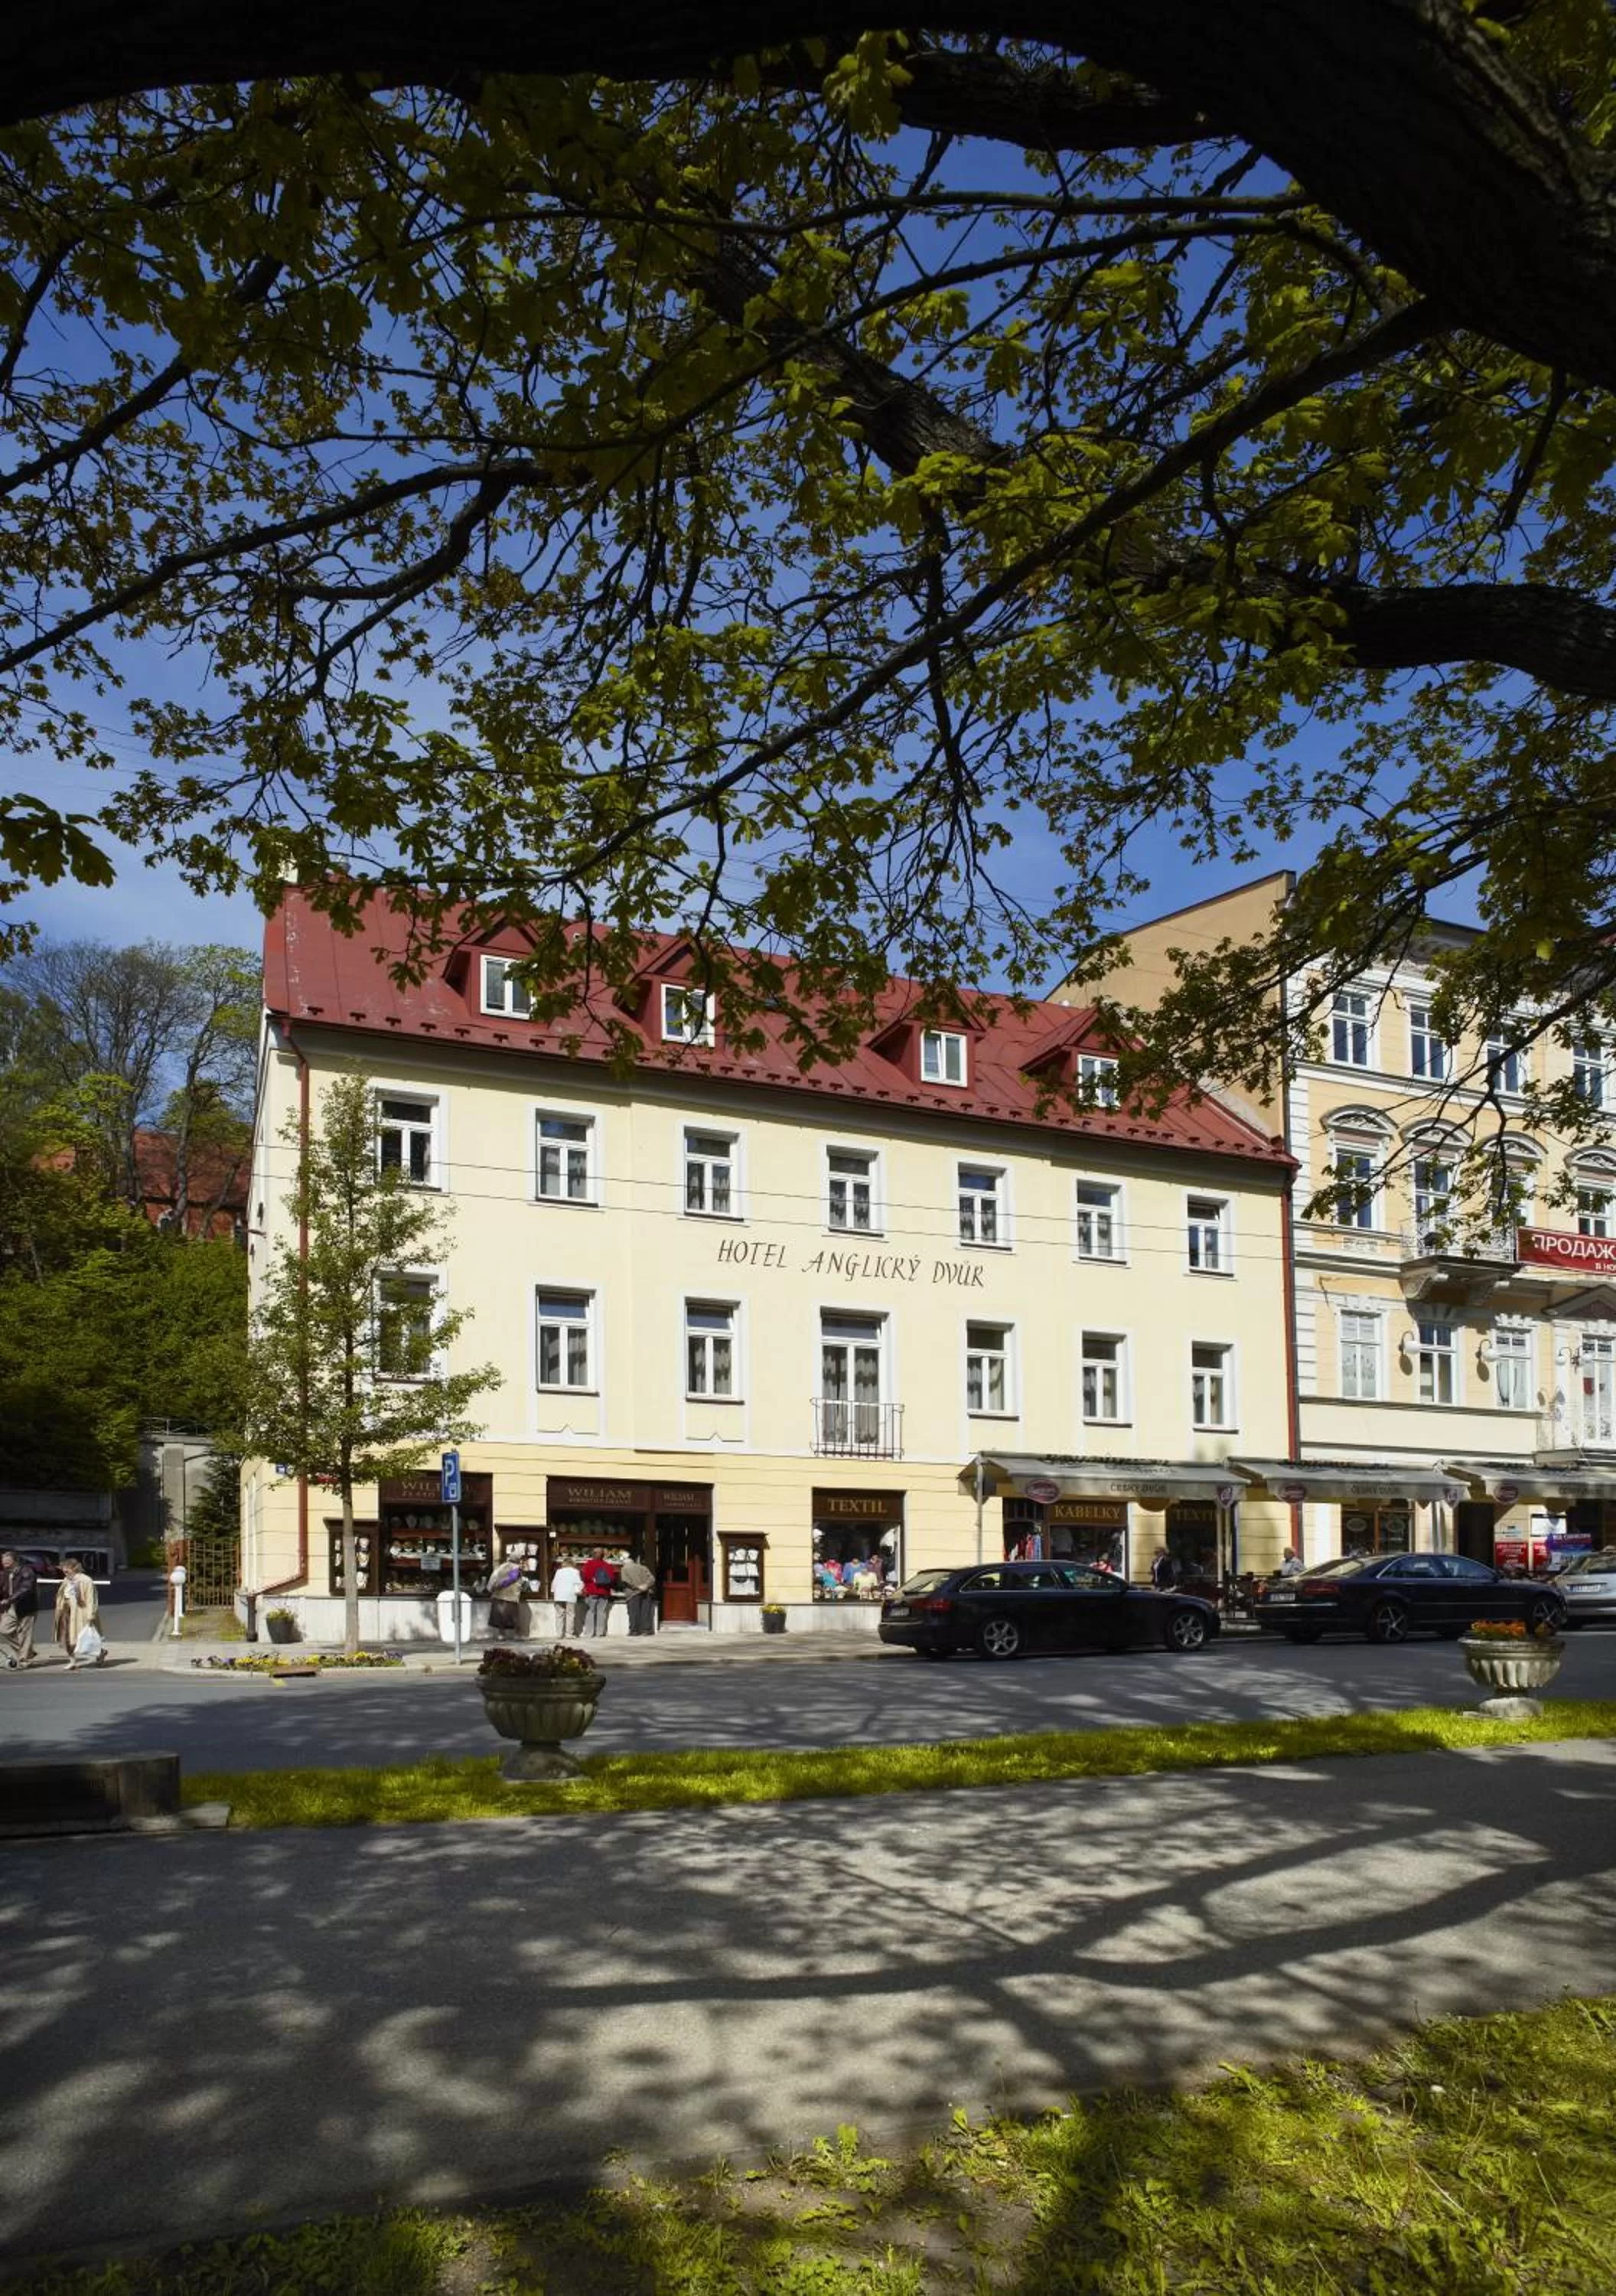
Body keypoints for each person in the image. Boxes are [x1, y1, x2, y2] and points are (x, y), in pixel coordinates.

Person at [55, 1556, 105, 1668]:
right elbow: (63, 1596)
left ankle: (100, 1652)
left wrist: (90, 1615)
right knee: (66, 1639)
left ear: (74, 1568)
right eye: (63, 1568)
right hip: (67, 1613)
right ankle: (72, 1661)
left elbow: (91, 1599)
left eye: (66, 1568)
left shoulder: (86, 1580)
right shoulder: (66, 1580)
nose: (64, 1571)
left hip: (81, 1613)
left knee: (83, 1638)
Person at [0, 1549, 39, 1668]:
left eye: (8, 1561)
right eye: (3, 1561)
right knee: (4, 1630)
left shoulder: (27, 1571)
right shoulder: (5, 1573)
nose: (5, 1563)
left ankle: (24, 1660)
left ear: (15, 1561)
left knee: (24, 1635)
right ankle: (27, 1653)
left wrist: (9, 1599)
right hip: (11, 1608)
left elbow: (26, 1589)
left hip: (26, 1608)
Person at [617, 1552, 657, 1636]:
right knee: (645, 1612)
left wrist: (638, 1587)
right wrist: (646, 1585)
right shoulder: (643, 1568)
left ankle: (634, 1631)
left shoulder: (625, 1569)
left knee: (633, 1612)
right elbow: (652, 1579)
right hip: (646, 1592)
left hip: (633, 1593)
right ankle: (646, 1630)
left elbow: (626, 1581)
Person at [580, 1551, 617, 1636]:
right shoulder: (608, 1565)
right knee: (602, 1611)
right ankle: (600, 1632)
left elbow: (585, 1577)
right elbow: (612, 1579)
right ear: (603, 1556)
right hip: (604, 1591)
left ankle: (590, 1632)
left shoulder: (589, 1564)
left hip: (592, 1590)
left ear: (593, 1555)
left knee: (591, 1611)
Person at [550, 1556, 585, 1636]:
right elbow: (578, 1583)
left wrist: (553, 1592)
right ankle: (569, 1633)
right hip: (570, 1595)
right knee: (570, 1614)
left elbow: (554, 1583)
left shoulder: (558, 1572)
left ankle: (559, 1634)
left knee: (559, 1615)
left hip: (559, 1595)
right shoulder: (575, 1572)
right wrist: (579, 1591)